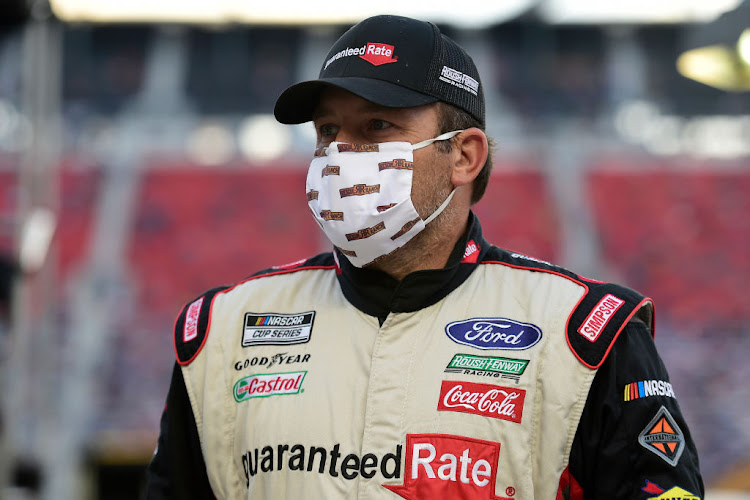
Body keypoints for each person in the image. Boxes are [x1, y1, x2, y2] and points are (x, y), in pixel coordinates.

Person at [142, 14, 703, 499]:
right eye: (328, 130)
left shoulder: (590, 335)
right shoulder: (225, 328)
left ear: (464, 156)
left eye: (376, 126)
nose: (340, 155)